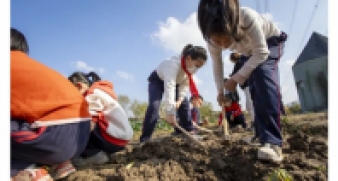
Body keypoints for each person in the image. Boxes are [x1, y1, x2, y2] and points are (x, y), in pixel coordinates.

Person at [197, 0, 287, 162]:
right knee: (253, 89)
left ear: (233, 27)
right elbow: (218, 67)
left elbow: (261, 52)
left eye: (227, 39)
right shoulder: (212, 40)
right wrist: (220, 92)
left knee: (262, 77)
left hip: (268, 43)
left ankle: (273, 142)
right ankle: (260, 135)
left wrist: (235, 79)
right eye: (218, 41)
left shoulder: (247, 18)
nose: (223, 45)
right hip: (247, 53)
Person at [10, 28, 92, 180]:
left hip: (55, 138)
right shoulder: (33, 67)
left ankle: (22, 171)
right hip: (80, 141)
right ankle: (57, 163)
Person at [139, 44, 208, 143]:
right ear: (188, 58)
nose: (196, 69)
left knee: (184, 104)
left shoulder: (191, 68)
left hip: (176, 84)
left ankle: (189, 131)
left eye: (199, 67)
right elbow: (169, 87)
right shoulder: (172, 64)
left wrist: (179, 100)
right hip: (158, 82)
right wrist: (170, 112)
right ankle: (145, 139)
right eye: (197, 65)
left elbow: (184, 85)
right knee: (154, 106)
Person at [68, 72, 133, 166]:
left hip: (112, 139)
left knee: (83, 124)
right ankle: (102, 152)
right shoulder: (102, 92)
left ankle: (93, 155)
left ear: (79, 86)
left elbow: (89, 122)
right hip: (121, 139)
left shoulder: (91, 94)